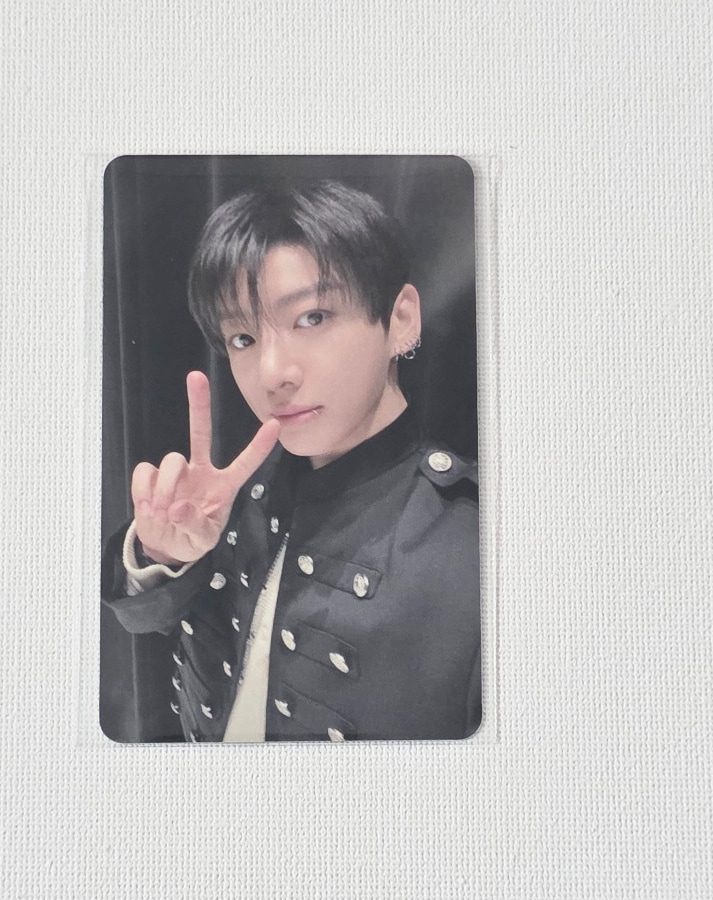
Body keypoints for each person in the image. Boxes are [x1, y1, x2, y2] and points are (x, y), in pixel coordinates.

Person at [102, 180, 481, 742]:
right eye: (242, 338)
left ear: (400, 320)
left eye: (312, 318)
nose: (272, 373)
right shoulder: (238, 491)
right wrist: (163, 555)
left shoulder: (474, 542)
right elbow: (157, 625)